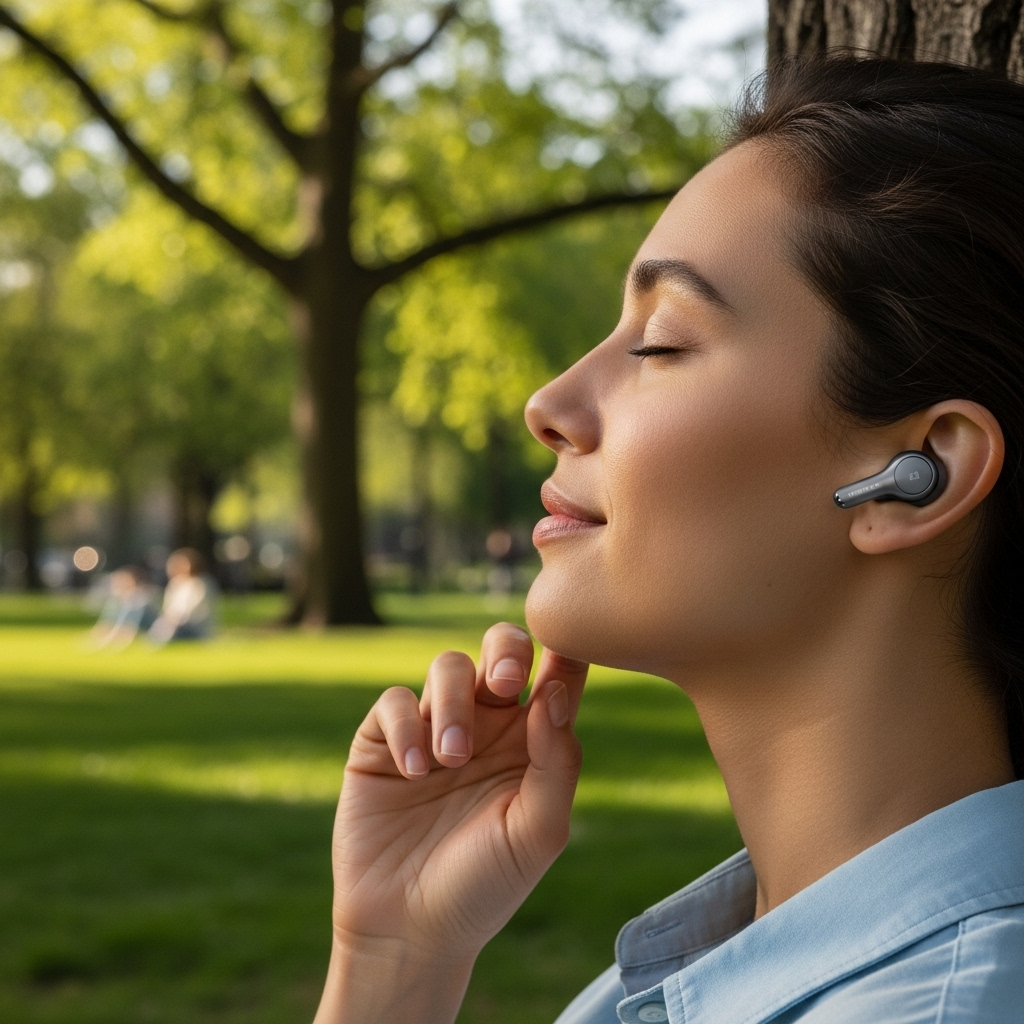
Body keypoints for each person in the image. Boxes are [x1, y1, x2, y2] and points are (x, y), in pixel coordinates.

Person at [313, 56, 1024, 1024]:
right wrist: (394, 960)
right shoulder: (685, 977)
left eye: (660, 341)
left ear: (917, 476)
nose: (549, 403)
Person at [148, 547, 215, 644]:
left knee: (171, 629)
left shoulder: (201, 583)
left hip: (194, 625)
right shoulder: (175, 584)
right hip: (173, 622)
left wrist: (178, 618)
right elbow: (168, 607)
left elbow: (198, 610)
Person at [88, 566, 158, 649]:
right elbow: (108, 620)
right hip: (131, 625)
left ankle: (118, 638)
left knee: (130, 610)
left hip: (149, 626)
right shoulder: (116, 601)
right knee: (115, 606)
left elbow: (134, 619)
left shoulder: (140, 595)